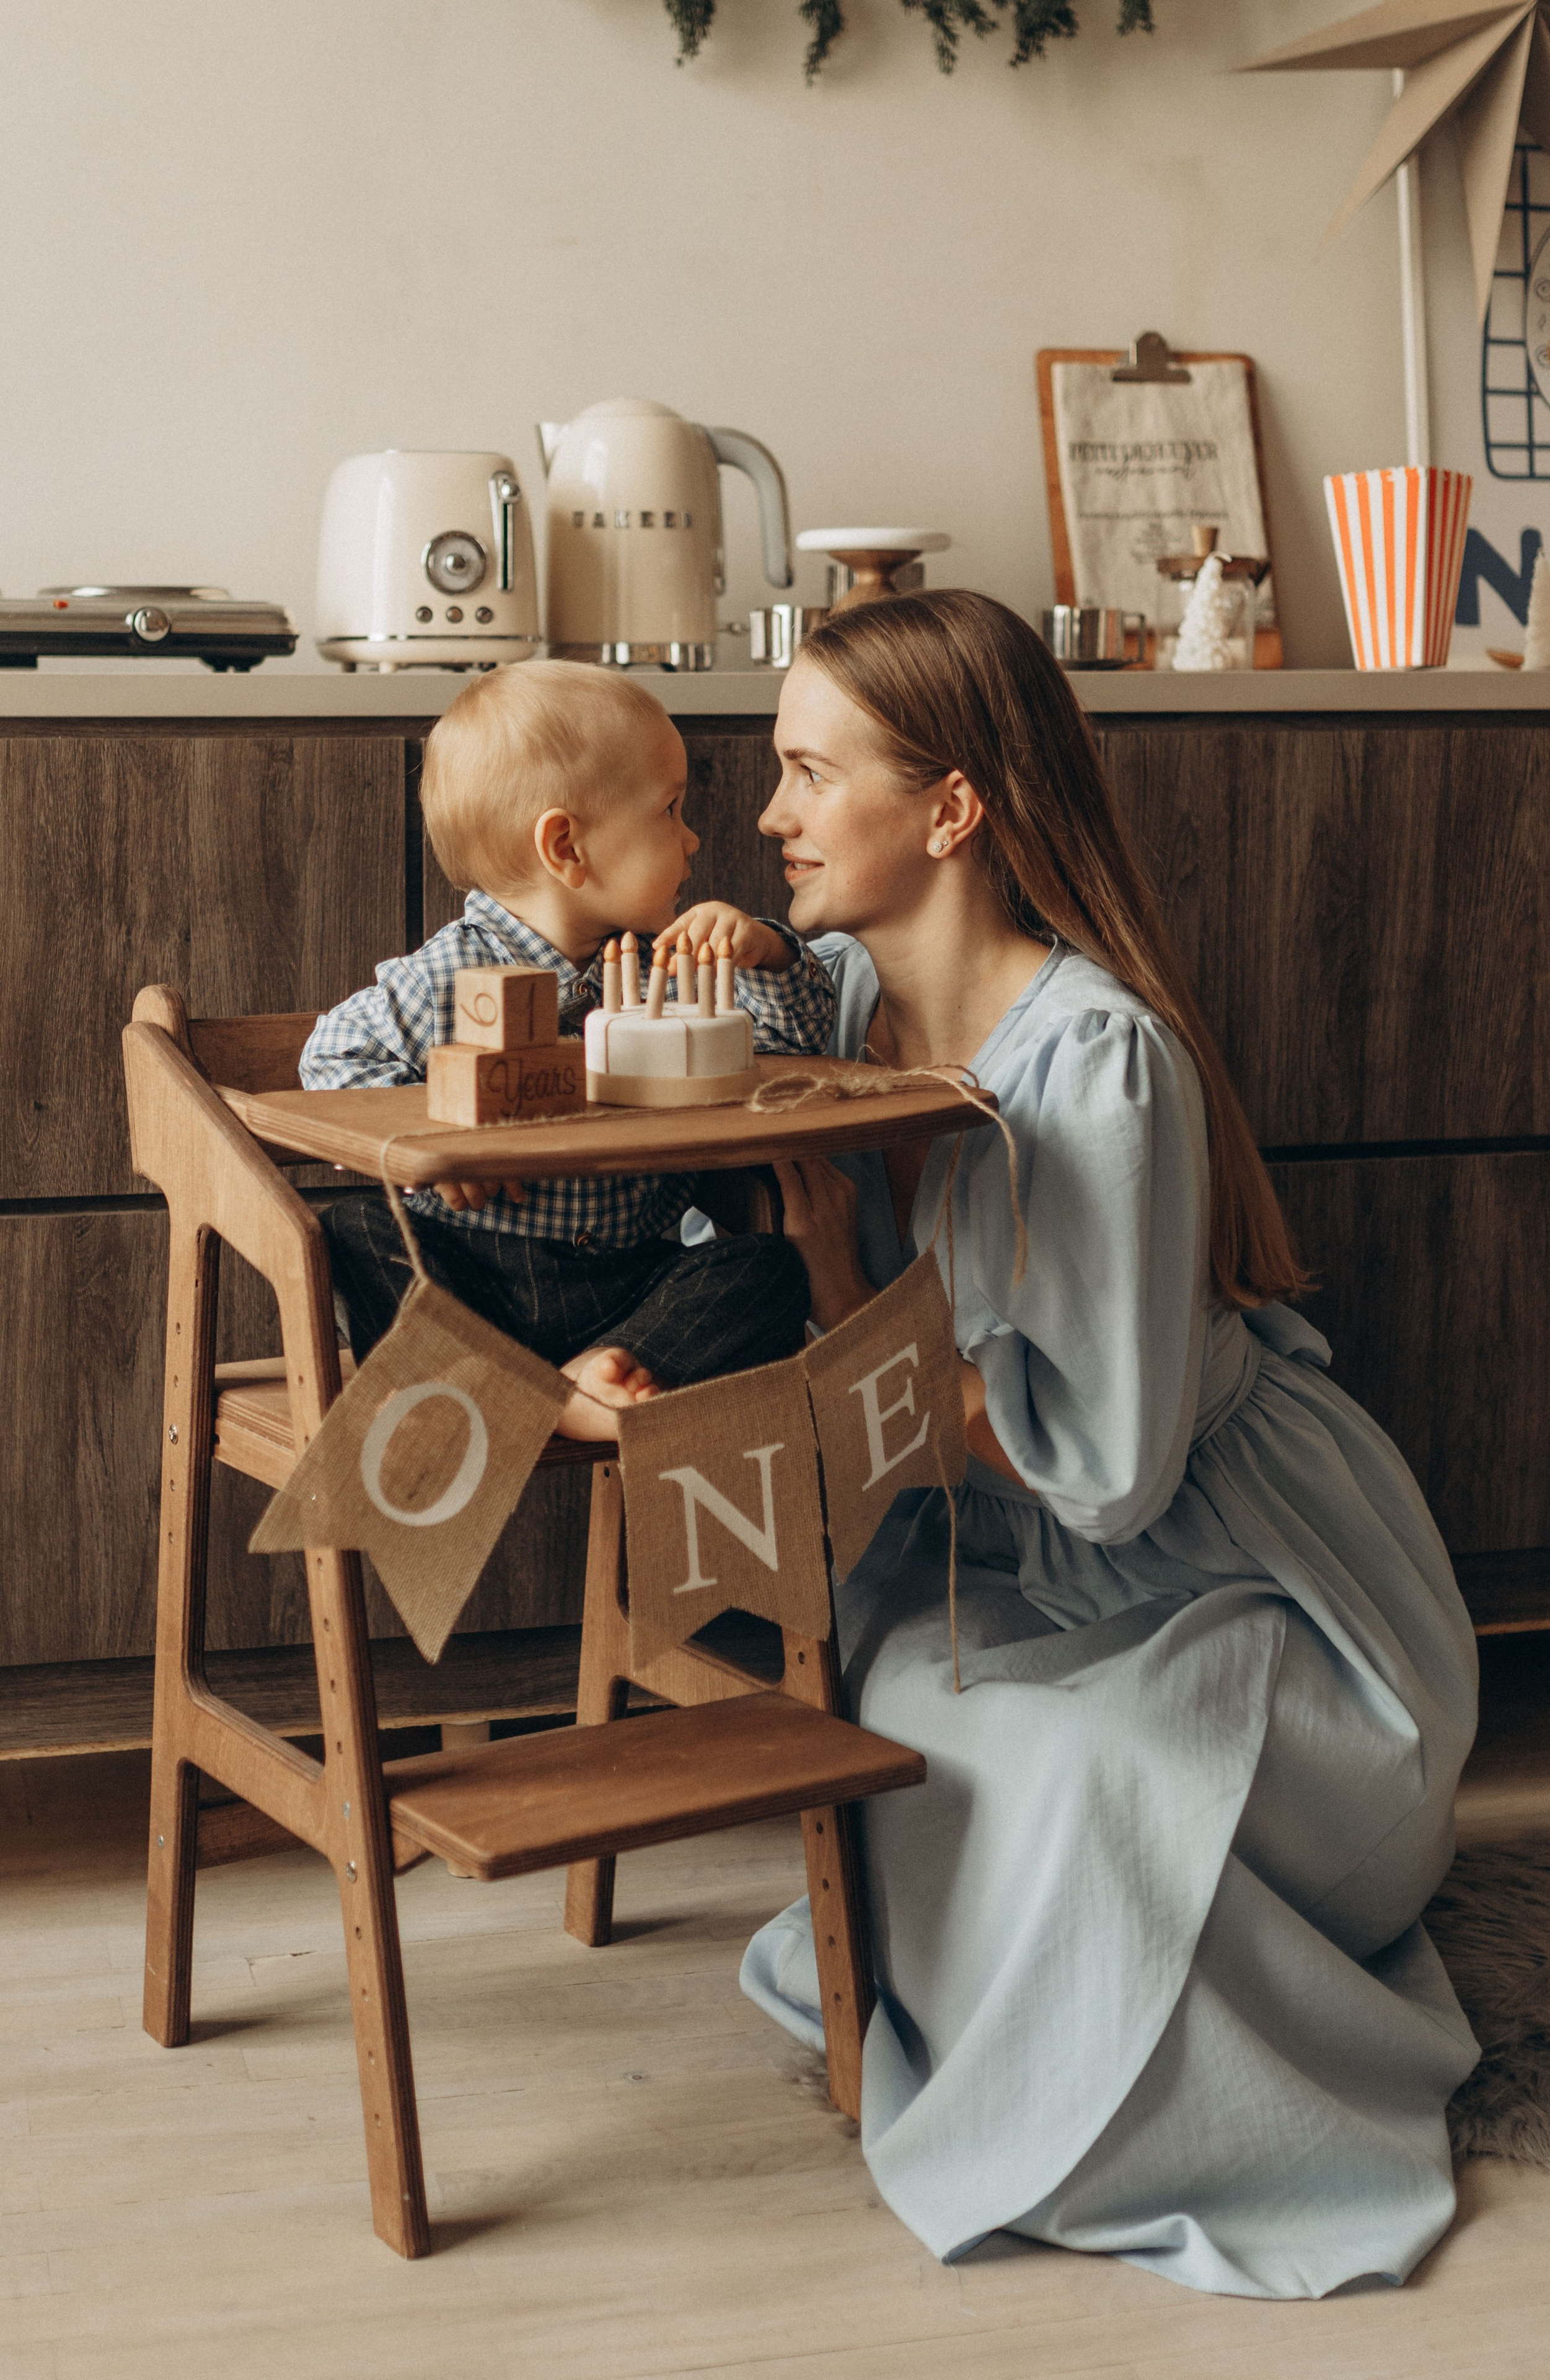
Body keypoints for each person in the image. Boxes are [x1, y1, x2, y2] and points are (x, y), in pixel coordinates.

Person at [736, 591, 1481, 2300]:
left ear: (951, 810)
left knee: (1092, 1779)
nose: (772, 815)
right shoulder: (846, 1010)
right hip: (1001, 1556)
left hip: (1232, 1569)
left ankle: (1165, 2103)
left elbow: (1113, 1472)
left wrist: (849, 1286)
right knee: (898, 1721)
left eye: (805, 773)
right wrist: (726, 935)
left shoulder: (1100, 1064)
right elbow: (732, 963)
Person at [300, 660, 832, 1440]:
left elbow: (792, 1043)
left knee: (769, 1269)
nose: (691, 839)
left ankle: (596, 1376)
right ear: (566, 846)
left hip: (628, 1282)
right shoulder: (449, 977)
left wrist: (764, 956)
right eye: (671, 811)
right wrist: (446, 1146)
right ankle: (532, 1393)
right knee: (359, 1233)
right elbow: (331, 1060)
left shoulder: (665, 968)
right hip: (477, 1278)